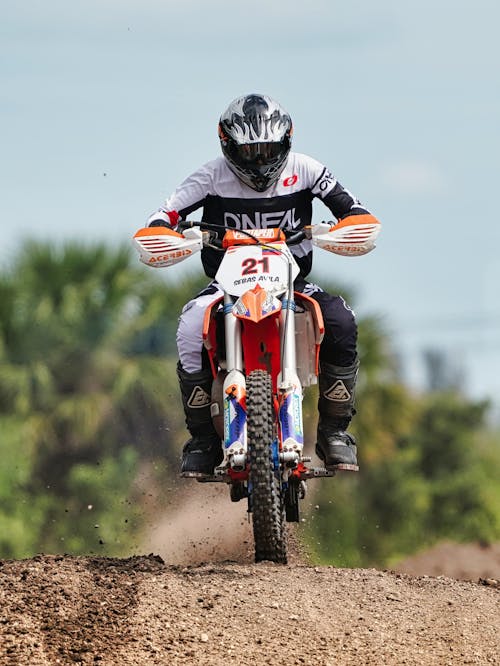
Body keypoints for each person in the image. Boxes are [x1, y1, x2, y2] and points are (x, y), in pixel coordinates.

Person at [147, 93, 381, 477]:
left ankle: (335, 431)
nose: (259, 161)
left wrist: (350, 225)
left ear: (287, 141)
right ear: (227, 144)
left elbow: (354, 209)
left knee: (341, 319)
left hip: (292, 281)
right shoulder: (209, 176)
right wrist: (163, 231)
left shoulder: (306, 170)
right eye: (249, 151)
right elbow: (164, 214)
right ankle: (203, 439)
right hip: (227, 287)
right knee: (190, 326)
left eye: (268, 150)